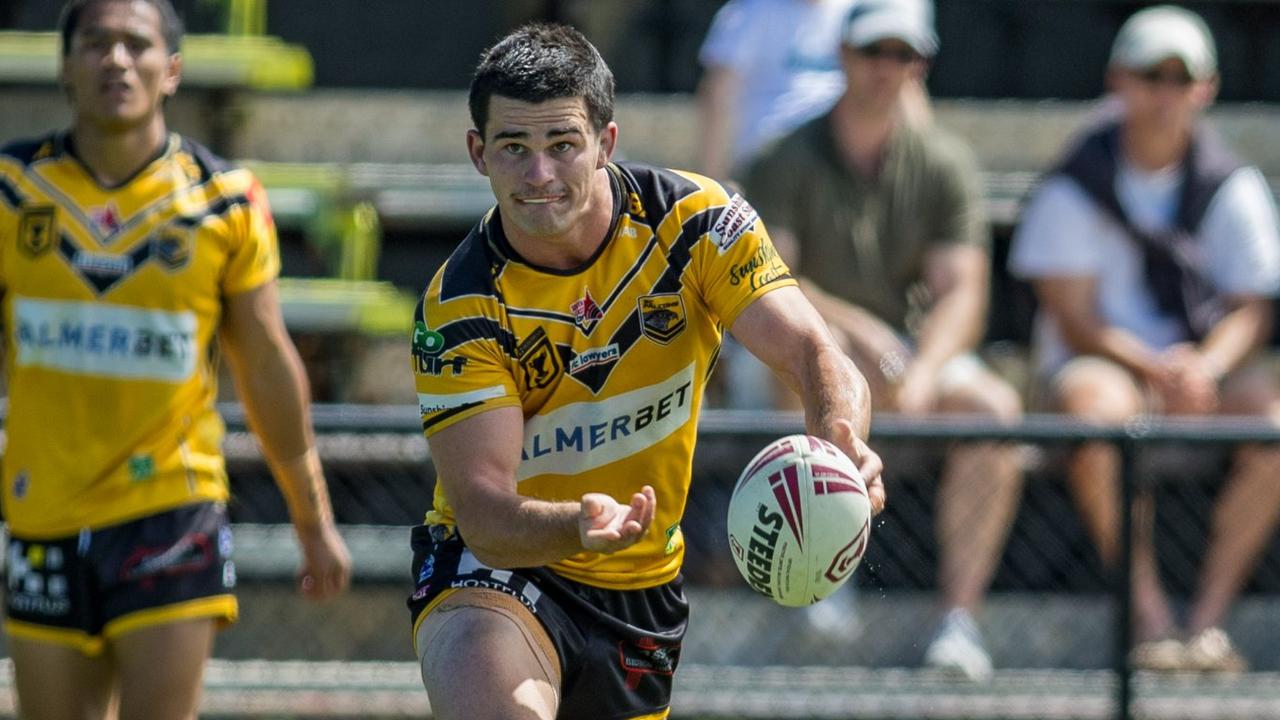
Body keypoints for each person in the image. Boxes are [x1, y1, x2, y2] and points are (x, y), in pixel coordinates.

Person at [406, 22, 885, 720]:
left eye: (562, 145)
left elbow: (816, 353)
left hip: (641, 588)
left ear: (605, 143)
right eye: (514, 147)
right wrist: (577, 524)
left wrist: (840, 436)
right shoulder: (461, 306)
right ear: (479, 153)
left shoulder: (697, 224)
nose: (539, 175)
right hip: (498, 572)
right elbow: (483, 515)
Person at [0, 1, 352, 717]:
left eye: (137, 44)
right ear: (65, 66)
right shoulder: (11, 192)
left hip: (170, 508)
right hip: (42, 510)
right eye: (95, 44)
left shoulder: (224, 200)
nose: (117, 60)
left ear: (173, 70)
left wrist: (312, 522)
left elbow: (265, 365)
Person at [743, 0, 1024, 681]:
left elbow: (964, 291)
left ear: (920, 66)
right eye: (874, 52)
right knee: (811, 358)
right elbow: (769, 285)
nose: (886, 68)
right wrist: (859, 339)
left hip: (907, 357)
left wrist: (922, 369)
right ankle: (821, 579)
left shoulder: (944, 161)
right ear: (843, 56)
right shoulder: (784, 155)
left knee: (996, 412)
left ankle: (959, 621)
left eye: (903, 55)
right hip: (800, 347)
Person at [1010, 5, 1280, 673]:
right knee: (1098, 408)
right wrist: (1157, 367)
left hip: (1193, 379)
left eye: (1179, 78)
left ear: (1206, 89)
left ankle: (1207, 624)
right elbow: (1072, 317)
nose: (1165, 94)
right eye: (1149, 76)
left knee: (1275, 421)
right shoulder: (1077, 182)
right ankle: (1151, 619)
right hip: (1106, 368)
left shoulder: (1231, 185)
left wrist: (1205, 369)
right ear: (1118, 82)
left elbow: (1253, 310)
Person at [695, 0, 855, 182]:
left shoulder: (863, 13)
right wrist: (715, 178)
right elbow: (718, 95)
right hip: (766, 165)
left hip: (841, 165)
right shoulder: (750, 11)